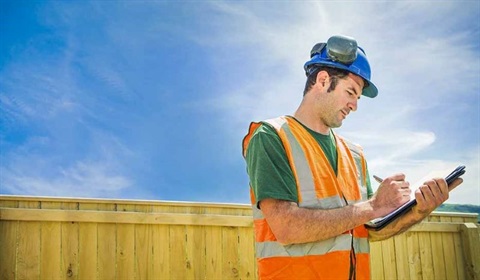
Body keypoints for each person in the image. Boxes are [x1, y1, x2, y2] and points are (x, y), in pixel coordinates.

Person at [242, 35, 463, 280]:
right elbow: (286, 227)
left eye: (358, 98)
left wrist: (419, 210)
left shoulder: (355, 155)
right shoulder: (271, 136)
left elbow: (370, 230)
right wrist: (373, 205)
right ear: (323, 81)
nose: (354, 105)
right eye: (351, 92)